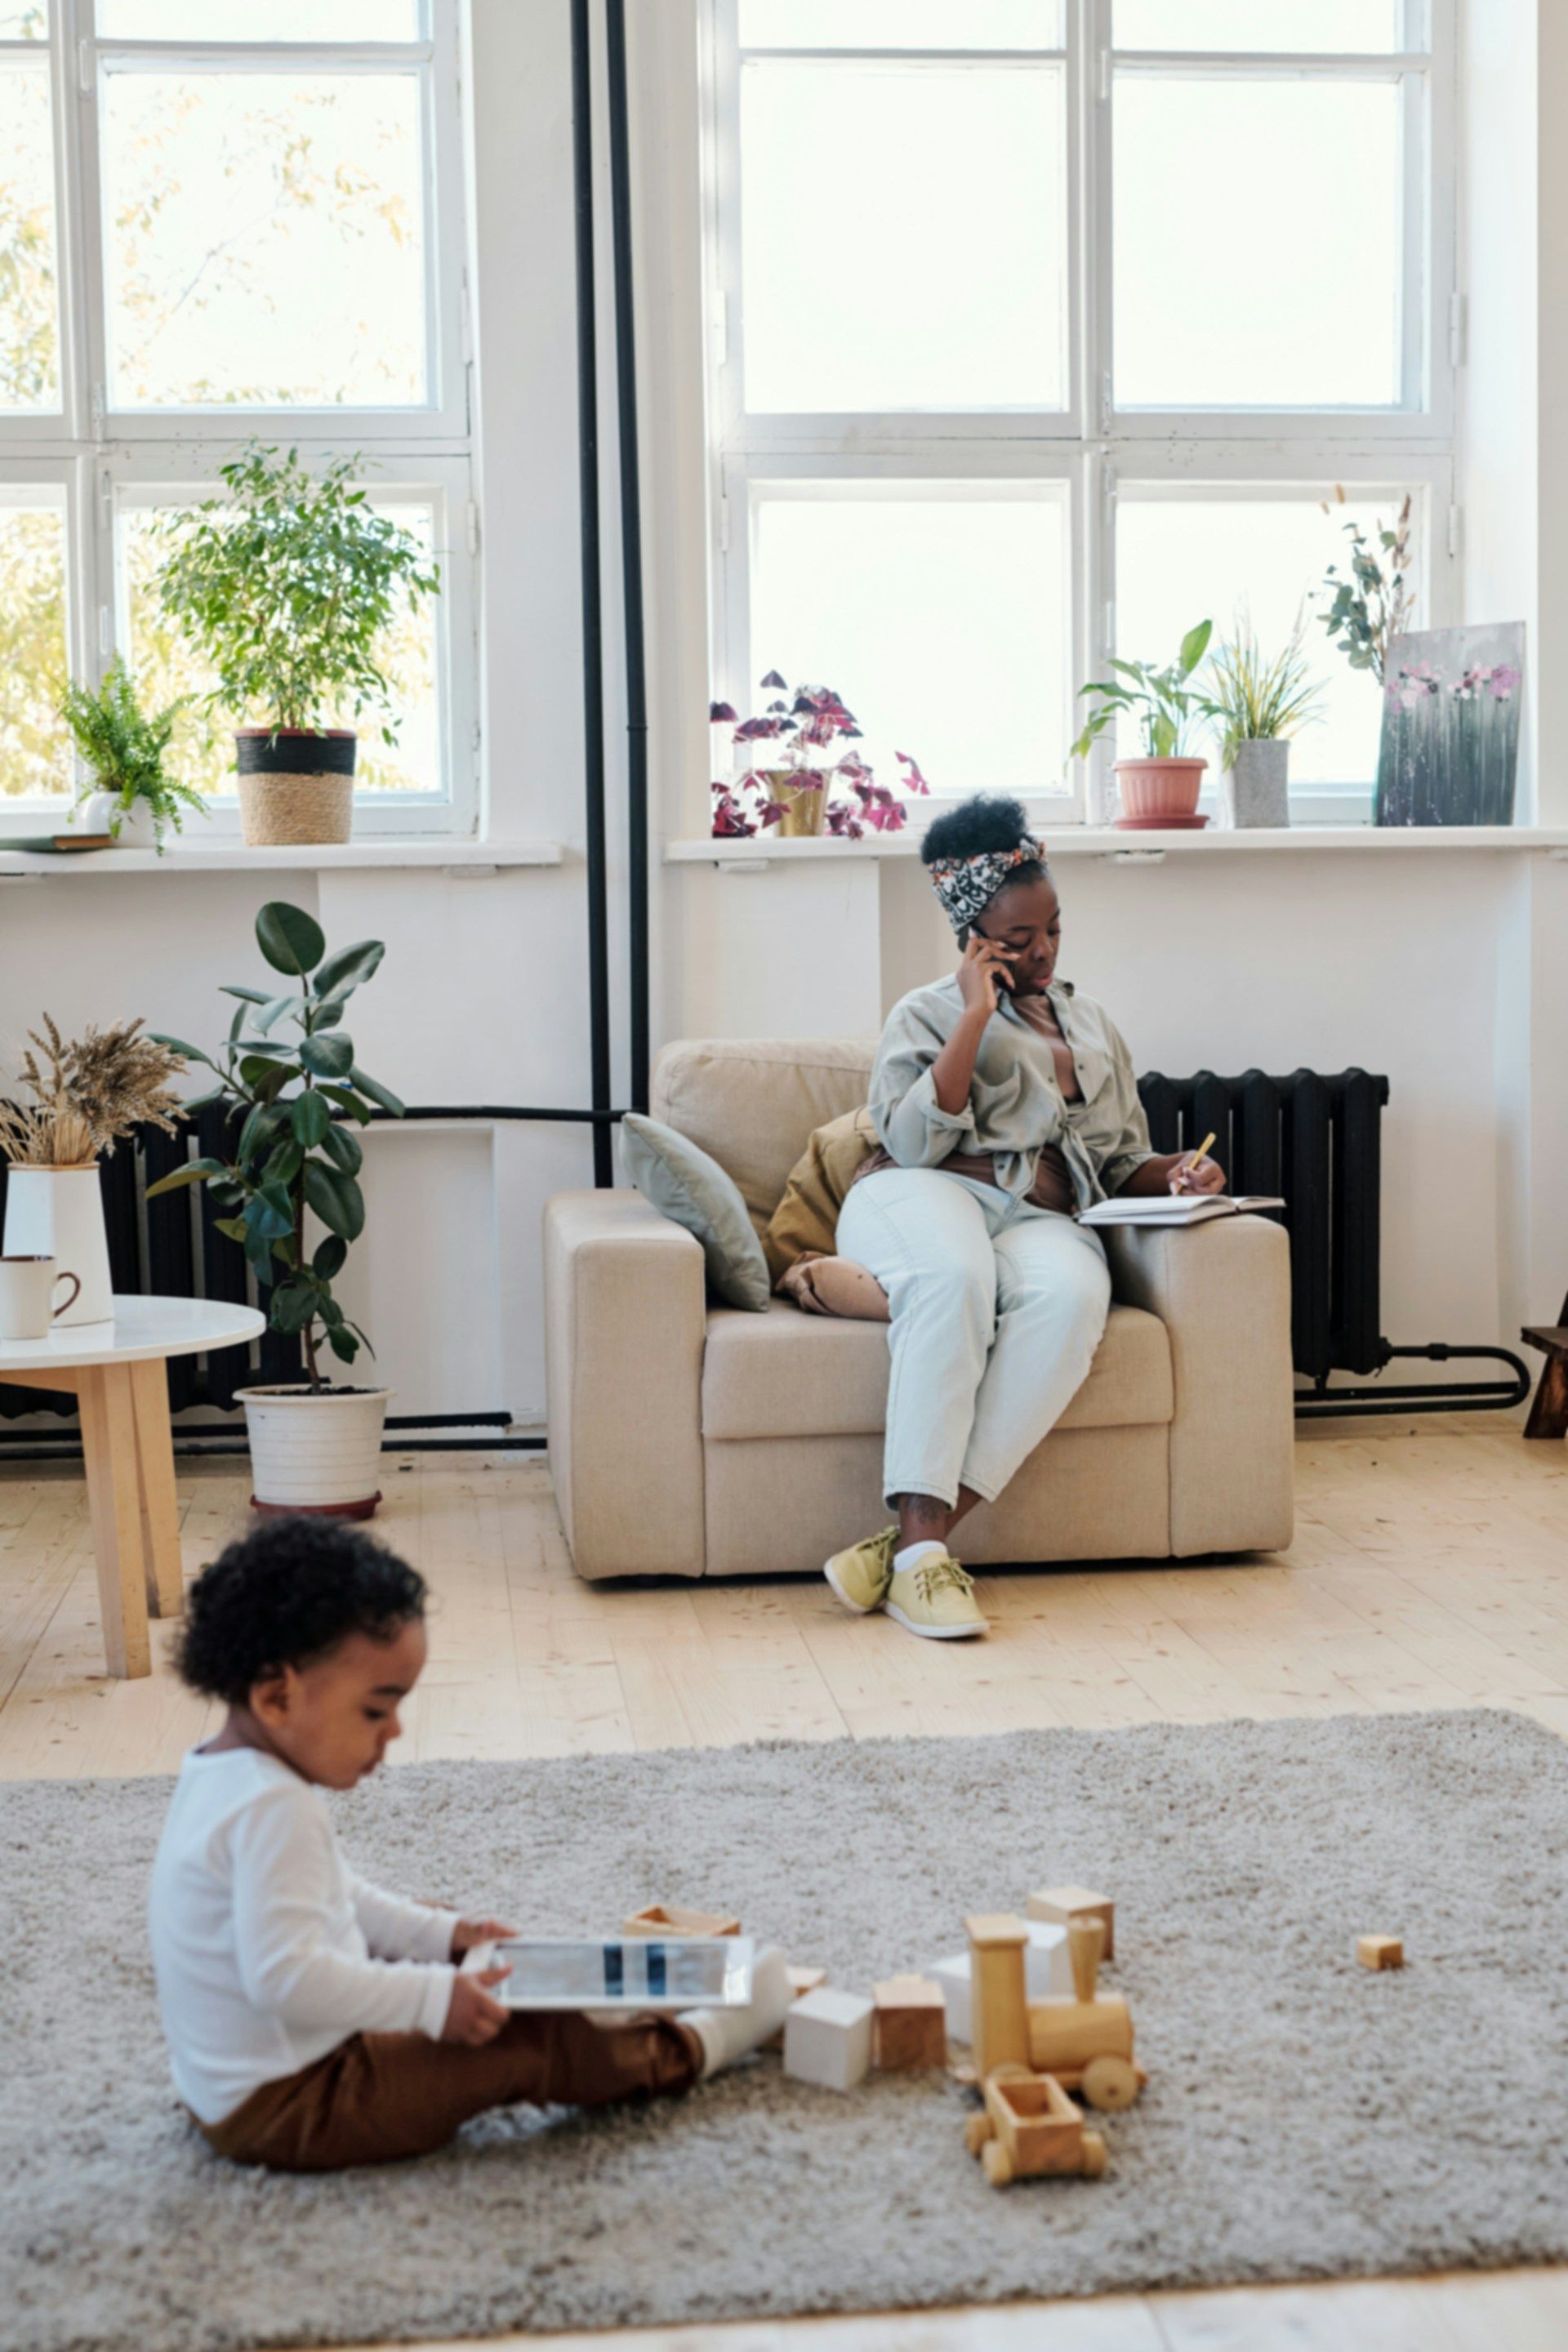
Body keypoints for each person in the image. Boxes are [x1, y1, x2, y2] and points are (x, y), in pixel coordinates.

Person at [149, 1517, 790, 2172]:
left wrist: (446, 1935)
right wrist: (434, 2002)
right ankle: (690, 2047)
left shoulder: (224, 1772)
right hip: (298, 2105)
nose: (395, 1730)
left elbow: (335, 1899)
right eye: (376, 1710)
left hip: (243, 2082)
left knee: (437, 1943)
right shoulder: (272, 1809)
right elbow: (286, 1980)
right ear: (277, 1695)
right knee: (522, 2042)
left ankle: (595, 1997)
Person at [823, 793, 1225, 1642]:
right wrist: (975, 1015)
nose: (1040, 953)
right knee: (953, 1277)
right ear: (974, 940)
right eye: (1016, 941)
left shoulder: (1093, 1025)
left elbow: (1118, 1163)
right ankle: (927, 1565)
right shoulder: (924, 1013)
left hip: (1043, 1218)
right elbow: (910, 1139)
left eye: (1052, 932)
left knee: (1073, 1303)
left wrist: (1178, 1173)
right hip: (921, 1193)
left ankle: (913, 1551)